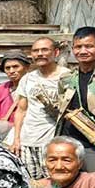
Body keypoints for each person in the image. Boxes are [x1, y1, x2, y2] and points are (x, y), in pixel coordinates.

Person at [55, 27, 95, 174]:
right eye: (78, 47)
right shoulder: (67, 78)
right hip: (68, 140)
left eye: (89, 46)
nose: (83, 51)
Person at [11, 37, 71, 179]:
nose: (39, 54)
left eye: (44, 50)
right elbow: (21, 110)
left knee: (56, 182)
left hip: (53, 142)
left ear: (56, 52)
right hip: (28, 142)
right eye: (35, 51)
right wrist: (16, 139)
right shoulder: (27, 79)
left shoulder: (67, 77)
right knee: (33, 185)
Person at [0, 51, 30, 140]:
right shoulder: (2, 88)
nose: (11, 71)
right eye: (7, 68)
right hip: (4, 134)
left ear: (26, 67)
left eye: (15, 67)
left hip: (27, 132)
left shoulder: (32, 87)